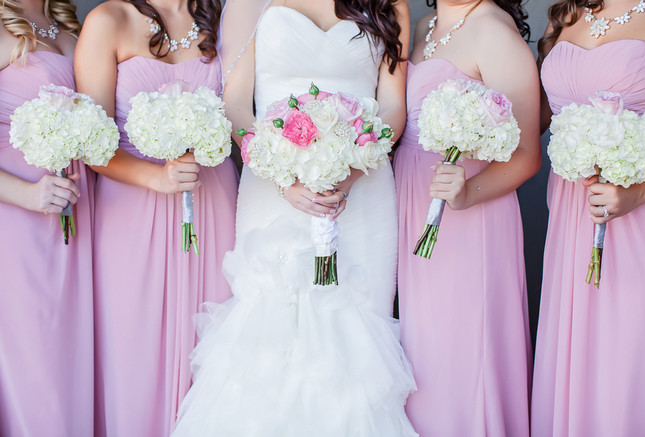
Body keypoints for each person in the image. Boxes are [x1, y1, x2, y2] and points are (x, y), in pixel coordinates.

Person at [172, 0, 417, 435]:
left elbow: (392, 108)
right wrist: (285, 178)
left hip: (365, 186)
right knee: (274, 331)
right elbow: (235, 105)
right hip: (272, 182)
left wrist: (353, 170)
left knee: (357, 335)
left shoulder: (389, 4)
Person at [74, 0, 238, 433]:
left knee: (214, 345)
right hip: (132, 211)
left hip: (212, 203)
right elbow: (91, 142)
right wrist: (157, 178)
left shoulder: (221, 14)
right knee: (134, 348)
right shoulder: (109, 20)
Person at [393, 0, 540, 435]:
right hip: (414, 206)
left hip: (469, 217)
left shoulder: (494, 31)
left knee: (460, 351)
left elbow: (528, 154)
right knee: (423, 353)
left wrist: (466, 194)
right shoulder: (424, 24)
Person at [532, 0, 645, 435]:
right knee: (578, 353)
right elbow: (534, 121)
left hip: (639, 218)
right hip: (571, 216)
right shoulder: (566, 13)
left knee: (627, 355)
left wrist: (639, 192)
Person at [0, 0, 94, 435]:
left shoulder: (67, 27)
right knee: (36, 367)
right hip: (20, 223)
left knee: (70, 358)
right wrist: (29, 195)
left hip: (78, 216)